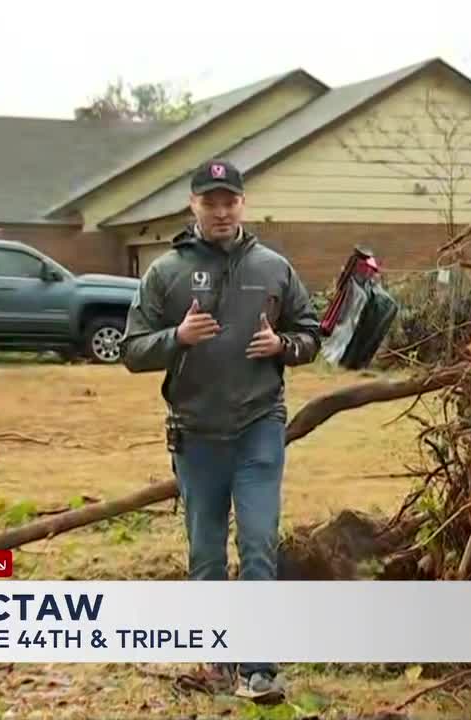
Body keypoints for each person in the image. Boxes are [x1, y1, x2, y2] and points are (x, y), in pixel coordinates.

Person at [119, 158, 322, 703]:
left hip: (259, 424)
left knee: (257, 542)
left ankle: (259, 668)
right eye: (211, 201)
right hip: (197, 433)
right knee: (206, 552)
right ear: (193, 206)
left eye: (230, 200)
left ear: (242, 204)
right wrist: (177, 337)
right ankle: (219, 660)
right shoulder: (165, 272)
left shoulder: (274, 267)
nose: (222, 210)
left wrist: (284, 346)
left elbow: (310, 333)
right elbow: (131, 351)